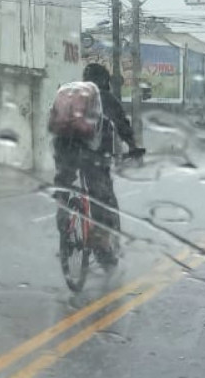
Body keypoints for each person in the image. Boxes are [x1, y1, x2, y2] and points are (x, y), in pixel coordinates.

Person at [53, 63, 142, 266]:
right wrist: (133, 147)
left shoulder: (70, 95)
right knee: (101, 196)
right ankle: (102, 246)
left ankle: (63, 213)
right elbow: (123, 125)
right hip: (93, 154)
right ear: (105, 80)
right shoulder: (105, 97)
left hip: (64, 148)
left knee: (64, 184)